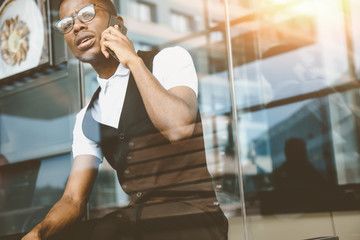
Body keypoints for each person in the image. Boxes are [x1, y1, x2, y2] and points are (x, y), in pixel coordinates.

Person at [22, 0, 228, 239]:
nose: (76, 26)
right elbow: (73, 200)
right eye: (66, 24)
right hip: (140, 223)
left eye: (86, 14)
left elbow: (178, 128)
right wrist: (38, 233)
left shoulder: (167, 60)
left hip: (194, 219)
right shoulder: (86, 119)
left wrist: (132, 60)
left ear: (117, 23)